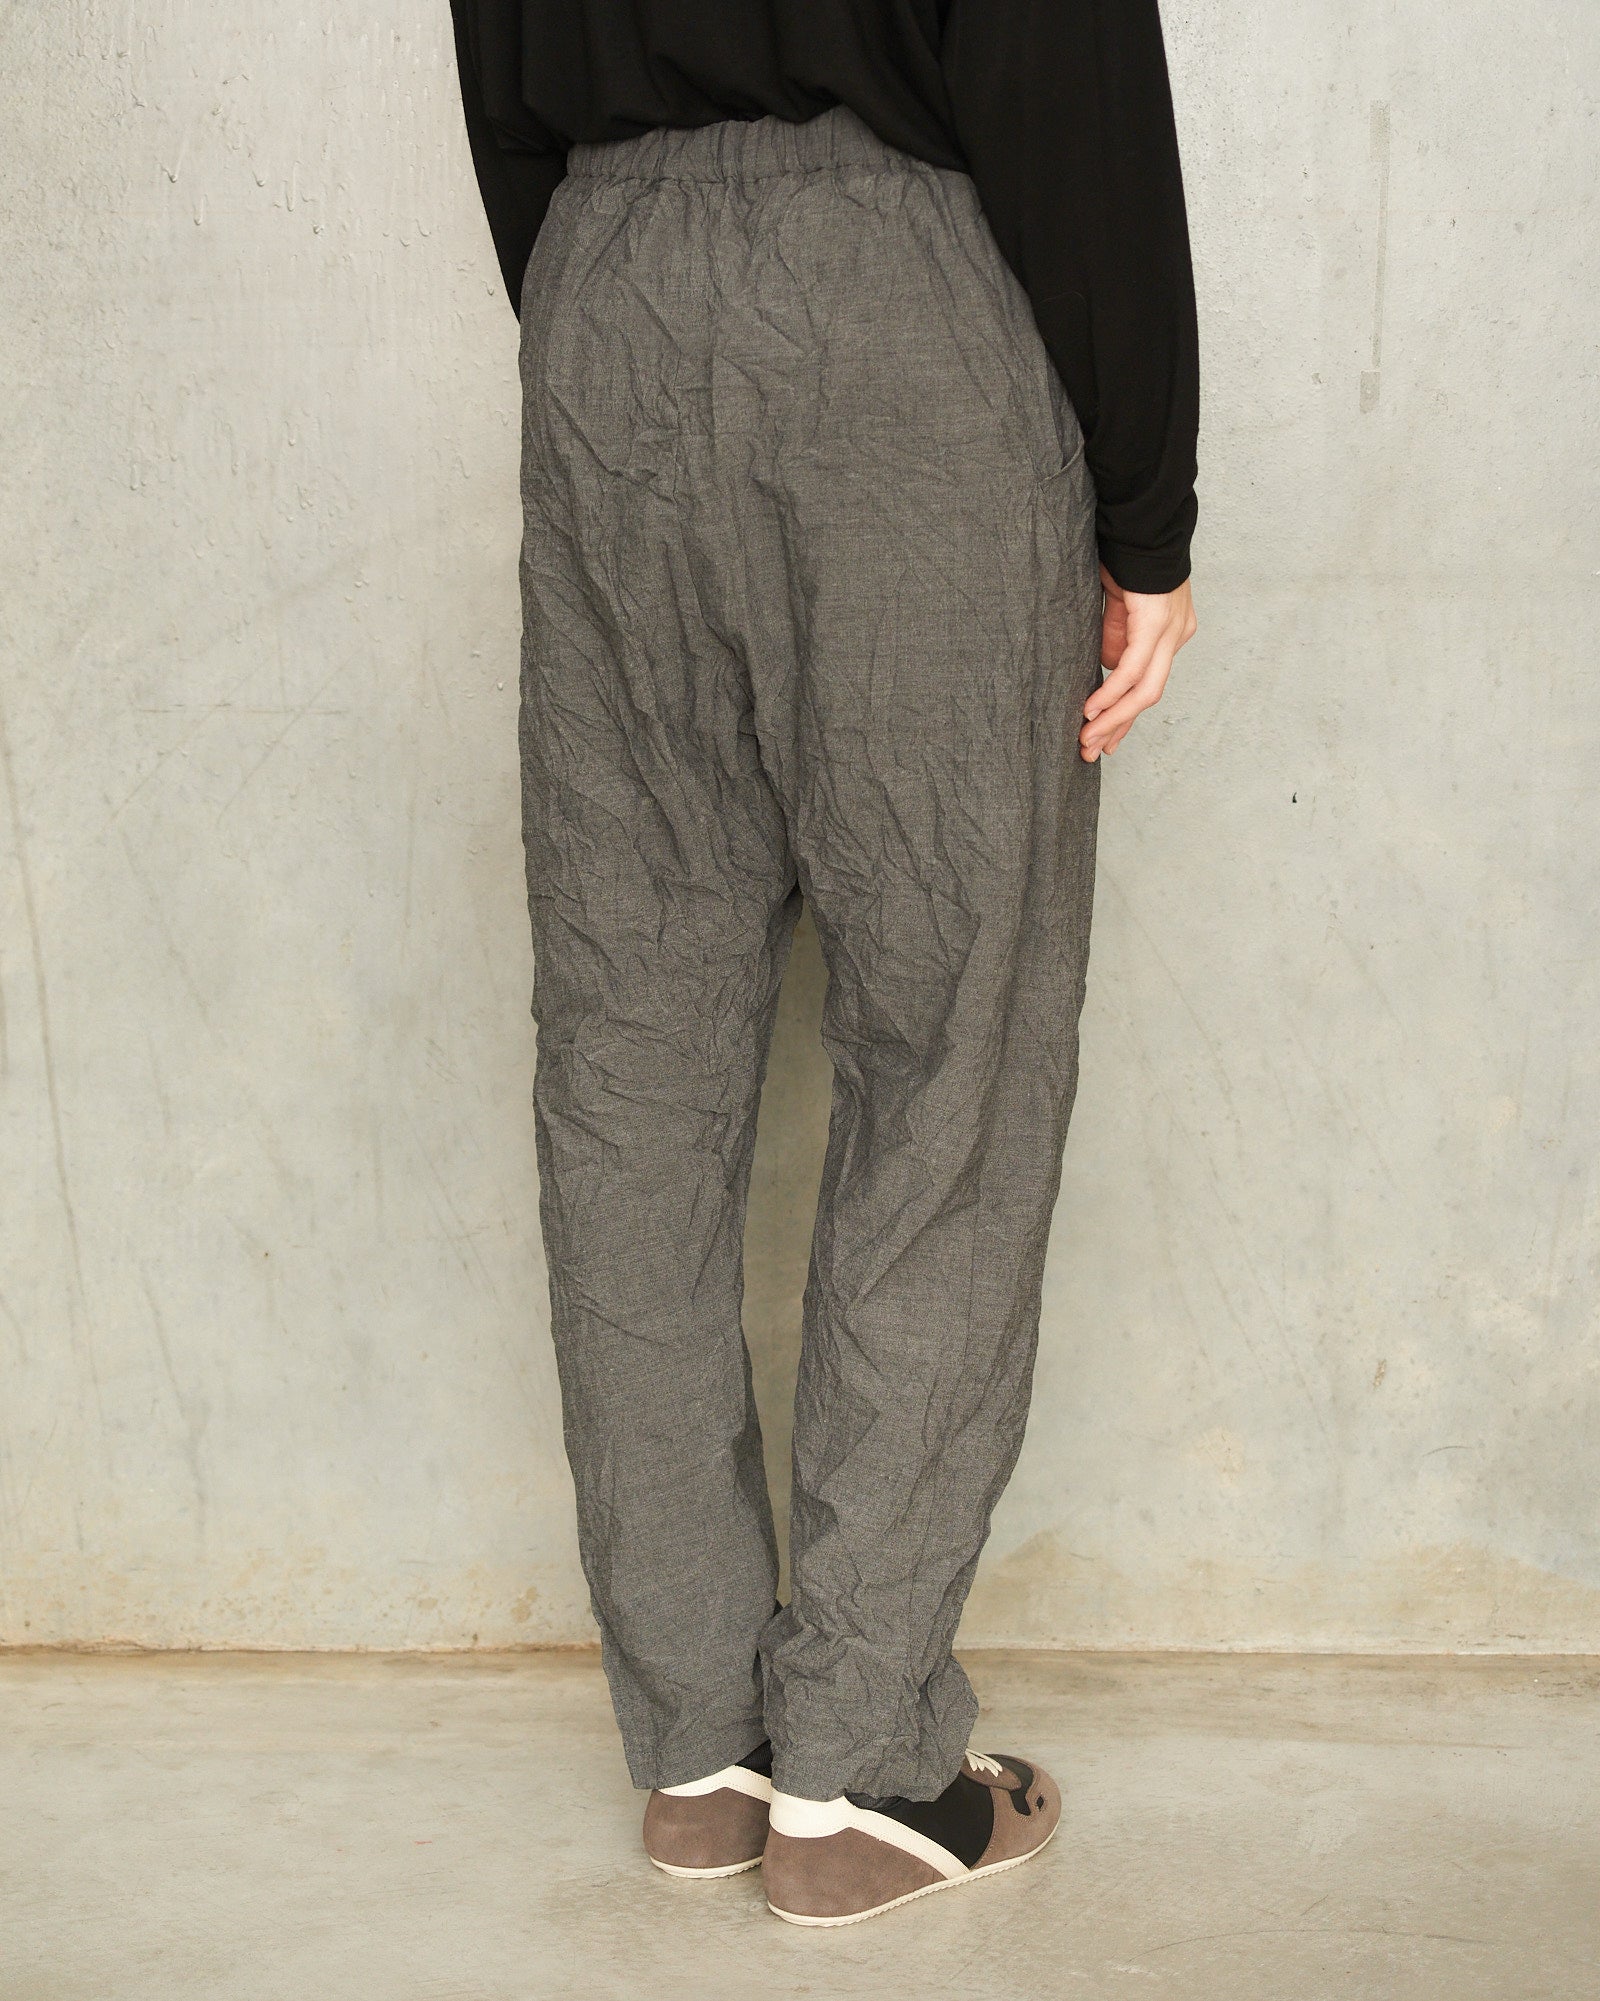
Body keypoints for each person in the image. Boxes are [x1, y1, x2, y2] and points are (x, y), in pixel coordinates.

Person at [449, 0, 1198, 1927]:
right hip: (897, 311)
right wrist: (1148, 505)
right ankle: (856, 1767)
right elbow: (1064, 72)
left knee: (630, 1049)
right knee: (953, 1040)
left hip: (603, 295)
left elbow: (493, 71)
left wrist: (616, 314)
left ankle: (698, 1740)